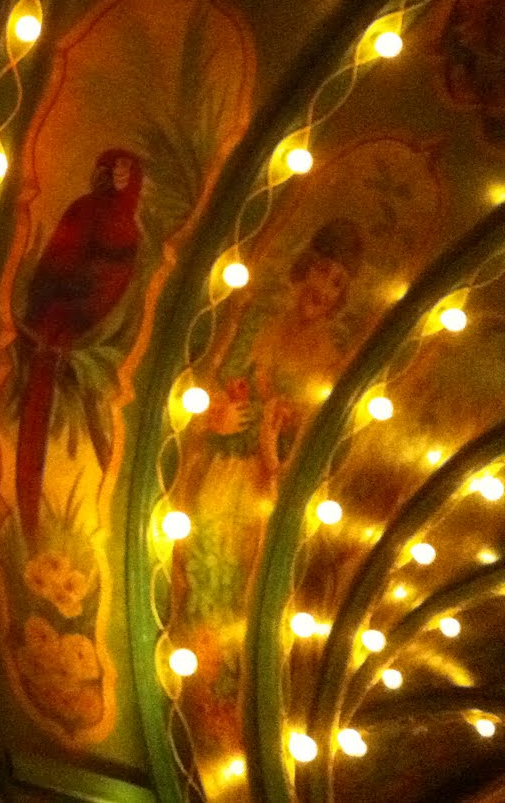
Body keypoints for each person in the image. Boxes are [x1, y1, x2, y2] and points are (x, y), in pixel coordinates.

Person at [174, 216, 365, 744]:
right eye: (322, 273)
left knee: (241, 588)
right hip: (221, 470)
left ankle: (222, 692)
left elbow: (313, 450)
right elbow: (208, 380)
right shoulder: (255, 322)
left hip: (263, 489)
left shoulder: (326, 360)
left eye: (337, 285)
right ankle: (199, 677)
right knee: (203, 564)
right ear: (306, 270)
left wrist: (274, 447)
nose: (323, 290)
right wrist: (214, 415)